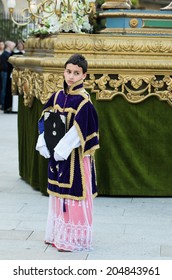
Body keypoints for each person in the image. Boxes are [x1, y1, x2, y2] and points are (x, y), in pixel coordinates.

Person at [36, 54, 100, 252]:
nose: (71, 77)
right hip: (57, 155)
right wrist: (44, 142)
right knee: (57, 192)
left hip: (73, 157)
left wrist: (63, 148)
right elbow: (45, 119)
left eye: (76, 73)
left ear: (84, 75)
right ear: (64, 71)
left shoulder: (84, 101)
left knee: (73, 194)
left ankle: (72, 238)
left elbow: (81, 128)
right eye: (68, 72)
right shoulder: (57, 96)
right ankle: (56, 234)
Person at [0, 41, 16, 112]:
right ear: (9, 46)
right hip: (5, 73)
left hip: (7, 73)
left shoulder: (8, 54)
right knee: (4, 89)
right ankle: (3, 104)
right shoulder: (4, 55)